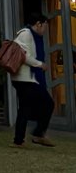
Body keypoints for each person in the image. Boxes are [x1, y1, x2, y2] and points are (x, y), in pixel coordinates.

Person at [11, 11, 55, 147]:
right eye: (45, 27)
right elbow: (24, 56)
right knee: (47, 103)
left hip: (26, 78)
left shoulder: (30, 34)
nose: (45, 31)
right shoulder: (26, 34)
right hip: (25, 78)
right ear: (38, 24)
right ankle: (37, 134)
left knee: (25, 107)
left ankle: (20, 139)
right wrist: (39, 64)